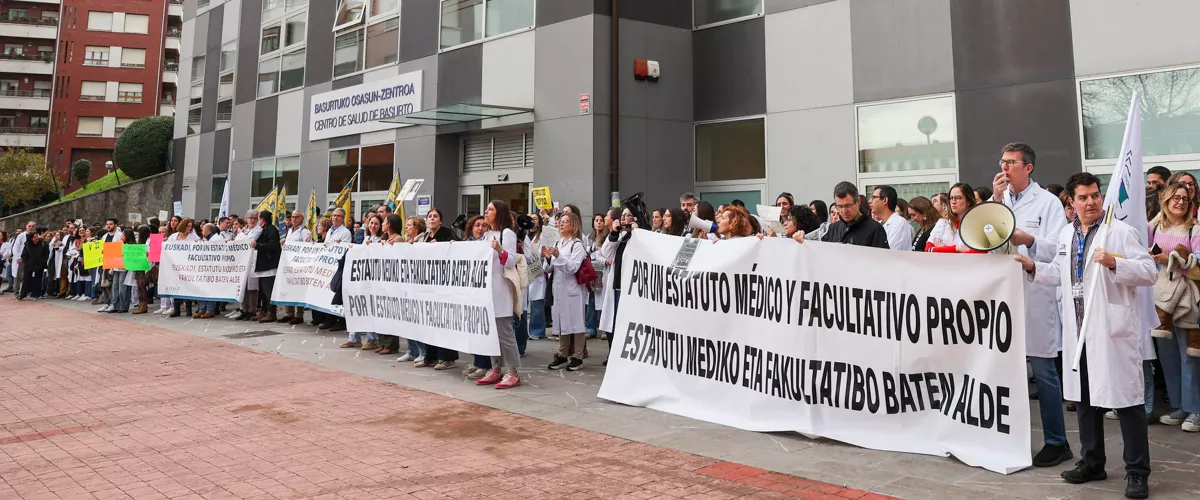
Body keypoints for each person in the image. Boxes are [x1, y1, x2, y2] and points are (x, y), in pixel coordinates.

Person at [1016, 172, 1156, 498]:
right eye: (1083, 197)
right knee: (1084, 402)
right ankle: (1092, 462)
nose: (1091, 202)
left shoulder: (1118, 232)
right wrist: (1033, 268)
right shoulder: (1066, 235)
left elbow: (1148, 271)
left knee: (1128, 403)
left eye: (1095, 195)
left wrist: (1114, 263)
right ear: (1071, 202)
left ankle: (1137, 472)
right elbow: (1063, 277)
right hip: (1077, 330)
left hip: (1111, 331)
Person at [990, 142, 1072, 466]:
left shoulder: (1049, 203)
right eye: (1003, 161)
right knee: (1005, 371)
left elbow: (1058, 249)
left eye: (1012, 162)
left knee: (1043, 372)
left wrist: (1031, 240)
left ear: (1028, 168)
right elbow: (985, 241)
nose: (1005, 167)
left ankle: (1057, 440)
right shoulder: (996, 202)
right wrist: (995, 202)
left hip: (1035, 293)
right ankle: (1011, 438)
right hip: (1003, 294)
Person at [1146, 182, 1200, 433]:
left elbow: (1198, 261)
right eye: (1176, 198)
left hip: (1186, 301)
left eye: (1185, 199)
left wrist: (1173, 260)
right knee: (1167, 357)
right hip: (1159, 299)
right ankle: (1178, 406)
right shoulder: (1154, 227)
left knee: (1189, 356)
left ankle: (1195, 410)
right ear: (1165, 201)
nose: (1181, 202)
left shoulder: (1194, 229)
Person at [476, 200, 522, 389]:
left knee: (504, 333)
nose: (486, 211)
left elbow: (511, 261)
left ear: (499, 213)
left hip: (501, 290)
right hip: (487, 290)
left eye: (490, 209)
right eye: (486, 209)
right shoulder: (487, 233)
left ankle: (512, 372)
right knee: (491, 333)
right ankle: (496, 369)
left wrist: (499, 249)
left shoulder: (507, 234)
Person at [545, 211, 589, 371]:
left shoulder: (576, 245)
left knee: (576, 323)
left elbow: (572, 267)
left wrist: (558, 256)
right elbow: (550, 268)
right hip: (559, 289)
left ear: (573, 225)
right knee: (562, 322)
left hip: (573, 290)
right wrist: (549, 258)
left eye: (565, 221)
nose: (561, 224)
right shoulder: (558, 244)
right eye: (560, 222)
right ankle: (563, 354)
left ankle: (577, 356)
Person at [794, 182, 887, 248]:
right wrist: (801, 237)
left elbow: (883, 263)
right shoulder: (832, 229)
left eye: (848, 205)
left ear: (858, 201)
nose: (844, 211)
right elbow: (811, 245)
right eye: (840, 206)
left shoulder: (875, 229)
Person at [342, 215, 383, 352]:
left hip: (373, 280)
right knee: (358, 306)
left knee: (370, 308)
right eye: (371, 223)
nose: (373, 226)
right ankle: (354, 338)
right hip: (362, 278)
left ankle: (372, 339)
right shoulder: (365, 238)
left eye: (376, 223)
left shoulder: (382, 240)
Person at [277, 211, 311, 325]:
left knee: (298, 288)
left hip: (299, 265)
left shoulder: (305, 231)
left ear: (302, 218)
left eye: (296, 217)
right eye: (292, 217)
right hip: (288, 264)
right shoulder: (290, 230)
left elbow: (307, 246)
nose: (293, 219)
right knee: (288, 287)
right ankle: (288, 313)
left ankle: (299, 315)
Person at [926, 183, 978, 252]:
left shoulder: (977, 225)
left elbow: (976, 252)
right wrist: (956, 249)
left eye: (958, 198)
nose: (953, 202)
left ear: (968, 201)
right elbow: (928, 250)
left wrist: (942, 248)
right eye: (951, 198)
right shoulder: (943, 223)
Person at [252, 210, 282, 323]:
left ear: (262, 219)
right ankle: (264, 311)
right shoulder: (263, 229)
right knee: (263, 291)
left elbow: (273, 245)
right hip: (263, 264)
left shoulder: (271, 229)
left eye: (258, 218)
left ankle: (271, 312)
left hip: (269, 264)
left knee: (268, 290)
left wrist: (258, 245)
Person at [193, 223, 226, 319]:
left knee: (210, 289)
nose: (202, 232)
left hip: (213, 268)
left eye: (203, 230)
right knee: (203, 289)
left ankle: (209, 310)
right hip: (205, 267)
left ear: (208, 230)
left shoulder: (217, 239)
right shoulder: (208, 239)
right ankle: (202, 309)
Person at [168, 218, 199, 317]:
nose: (189, 229)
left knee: (187, 287)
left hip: (188, 265)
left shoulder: (193, 236)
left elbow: (200, 246)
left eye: (191, 227)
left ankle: (188, 308)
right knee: (176, 286)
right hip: (175, 265)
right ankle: (176, 309)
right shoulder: (173, 237)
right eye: (188, 226)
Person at [869, 185, 912, 251]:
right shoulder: (878, 224)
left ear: (885, 200)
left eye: (874, 197)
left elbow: (889, 251)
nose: (871, 202)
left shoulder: (899, 223)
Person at [11, 220, 36, 296]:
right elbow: (16, 247)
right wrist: (18, 257)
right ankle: (16, 291)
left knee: (28, 275)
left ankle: (27, 291)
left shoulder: (35, 235)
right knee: (18, 275)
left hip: (31, 259)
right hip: (21, 258)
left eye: (33, 226)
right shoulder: (21, 236)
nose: (31, 228)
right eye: (29, 226)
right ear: (26, 226)